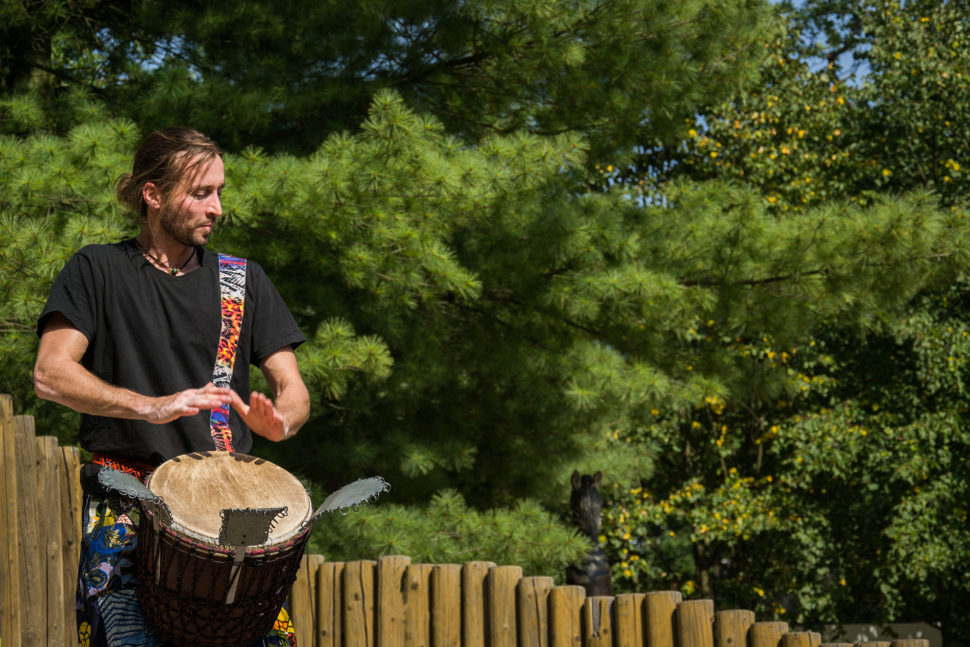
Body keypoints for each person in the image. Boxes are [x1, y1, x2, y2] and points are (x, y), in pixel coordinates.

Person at [34, 126, 310, 646]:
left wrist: (281, 420)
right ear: (153, 194)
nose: (217, 208)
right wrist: (150, 406)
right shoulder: (96, 269)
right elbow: (51, 372)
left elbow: (292, 388)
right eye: (201, 193)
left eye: (220, 192)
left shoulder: (243, 281)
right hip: (128, 501)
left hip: (234, 511)